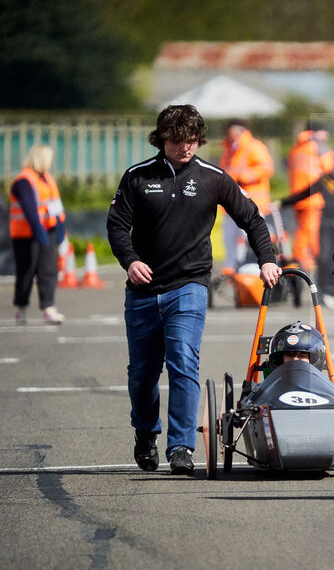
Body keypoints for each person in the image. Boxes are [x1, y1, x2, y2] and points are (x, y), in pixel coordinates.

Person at [107, 105, 281, 476]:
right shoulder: (137, 177)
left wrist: (267, 258)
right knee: (142, 373)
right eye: (177, 141)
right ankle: (145, 433)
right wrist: (130, 261)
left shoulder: (214, 177)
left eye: (191, 140)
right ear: (162, 139)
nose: (185, 147)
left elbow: (251, 218)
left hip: (189, 286)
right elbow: (117, 226)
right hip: (142, 291)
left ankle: (181, 446)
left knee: (183, 363)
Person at [278, 151, 334, 304]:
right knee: (323, 257)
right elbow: (303, 194)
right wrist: (282, 203)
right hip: (326, 225)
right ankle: (325, 290)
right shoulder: (326, 180)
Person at [9, 144, 66, 325]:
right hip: (26, 235)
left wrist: (60, 227)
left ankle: (48, 307)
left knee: (49, 270)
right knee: (26, 272)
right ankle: (21, 306)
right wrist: (37, 230)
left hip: (46, 231)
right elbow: (29, 209)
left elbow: (55, 205)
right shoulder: (24, 180)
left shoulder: (47, 179)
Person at [219, 119, 275, 268]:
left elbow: (267, 168)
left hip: (253, 204)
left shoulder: (254, 146)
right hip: (230, 204)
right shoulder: (229, 148)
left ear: (239, 130)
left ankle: (254, 272)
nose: (228, 134)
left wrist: (242, 176)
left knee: (253, 242)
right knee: (230, 242)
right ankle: (233, 273)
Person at [287, 122, 334, 270]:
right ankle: (309, 263)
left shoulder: (295, 148)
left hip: (298, 196)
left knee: (301, 230)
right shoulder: (319, 147)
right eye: (325, 132)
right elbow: (330, 170)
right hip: (314, 197)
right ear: (317, 132)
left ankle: (300, 260)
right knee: (312, 232)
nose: (327, 136)